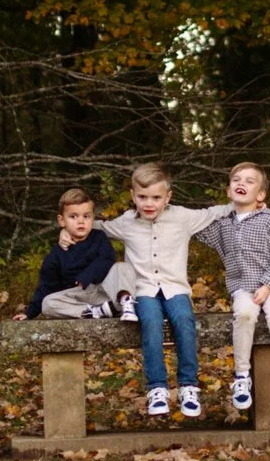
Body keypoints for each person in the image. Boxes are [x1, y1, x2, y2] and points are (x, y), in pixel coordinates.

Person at [96, 162, 231, 418]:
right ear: (133, 196)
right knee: (151, 323)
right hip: (143, 290)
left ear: (168, 197)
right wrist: (68, 233)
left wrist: (245, 204)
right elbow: (98, 227)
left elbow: (215, 212)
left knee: (183, 320)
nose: (149, 203)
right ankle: (157, 388)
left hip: (175, 287)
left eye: (156, 197)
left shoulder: (183, 217)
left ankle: (188, 385)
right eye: (142, 197)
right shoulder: (126, 223)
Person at [197, 162, 270, 415]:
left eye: (249, 181)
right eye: (236, 180)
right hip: (242, 287)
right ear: (228, 190)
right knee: (244, 315)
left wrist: (267, 286)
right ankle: (242, 376)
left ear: (261, 195)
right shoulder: (223, 225)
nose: (241, 183)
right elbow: (194, 226)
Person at [17, 187, 134, 320]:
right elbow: (46, 286)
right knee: (48, 303)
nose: (81, 221)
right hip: (77, 296)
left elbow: (107, 259)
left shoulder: (99, 237)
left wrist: (88, 275)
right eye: (73, 216)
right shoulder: (56, 254)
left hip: (103, 290)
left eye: (86, 216)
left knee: (122, 267)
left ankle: (125, 304)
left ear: (93, 218)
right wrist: (29, 313)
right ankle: (93, 312)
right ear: (61, 220)